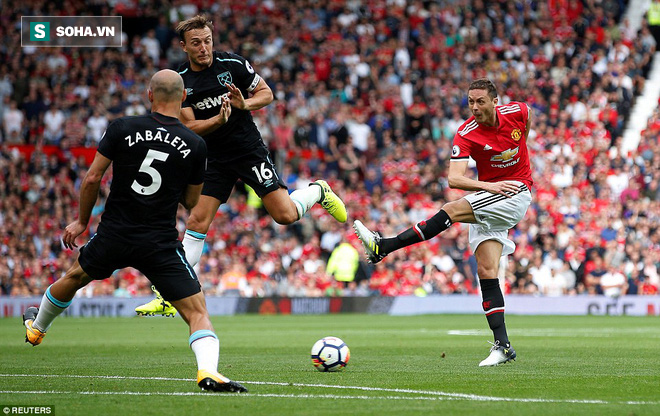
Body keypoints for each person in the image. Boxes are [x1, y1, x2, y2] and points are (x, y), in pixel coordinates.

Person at [22, 70, 247, 393]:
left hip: (115, 233)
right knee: (197, 312)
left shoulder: (123, 128)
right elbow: (190, 201)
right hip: (159, 242)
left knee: (74, 278)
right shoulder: (195, 145)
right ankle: (207, 372)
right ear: (184, 98)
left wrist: (82, 222)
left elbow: (91, 178)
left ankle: (37, 329)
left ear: (150, 95)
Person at [136, 15, 347, 315]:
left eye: (207, 41)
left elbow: (267, 93)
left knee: (285, 215)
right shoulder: (181, 81)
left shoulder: (232, 65)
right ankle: (169, 292)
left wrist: (243, 105)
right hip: (213, 160)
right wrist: (218, 120)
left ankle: (318, 191)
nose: (204, 48)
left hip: (248, 152)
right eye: (196, 43)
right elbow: (189, 128)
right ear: (184, 47)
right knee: (196, 222)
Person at [353, 78, 533, 367]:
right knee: (487, 271)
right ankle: (503, 346)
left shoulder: (518, 112)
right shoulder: (466, 133)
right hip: (491, 195)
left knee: (451, 209)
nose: (474, 107)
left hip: (516, 192)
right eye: (471, 101)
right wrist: (489, 186)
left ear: (494, 102)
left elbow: (525, 125)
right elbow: (454, 178)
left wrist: (507, 179)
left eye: (480, 101)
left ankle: (384, 245)